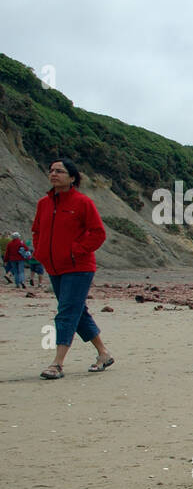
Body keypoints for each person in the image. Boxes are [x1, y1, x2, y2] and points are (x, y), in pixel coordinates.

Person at [30, 158, 114, 378]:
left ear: (72, 177)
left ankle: (57, 363)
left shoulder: (82, 202)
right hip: (54, 267)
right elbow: (36, 230)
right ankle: (103, 353)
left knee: (66, 312)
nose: (53, 174)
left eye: (59, 171)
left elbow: (98, 233)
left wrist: (76, 250)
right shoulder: (43, 204)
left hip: (79, 267)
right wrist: (39, 252)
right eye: (51, 171)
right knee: (78, 312)